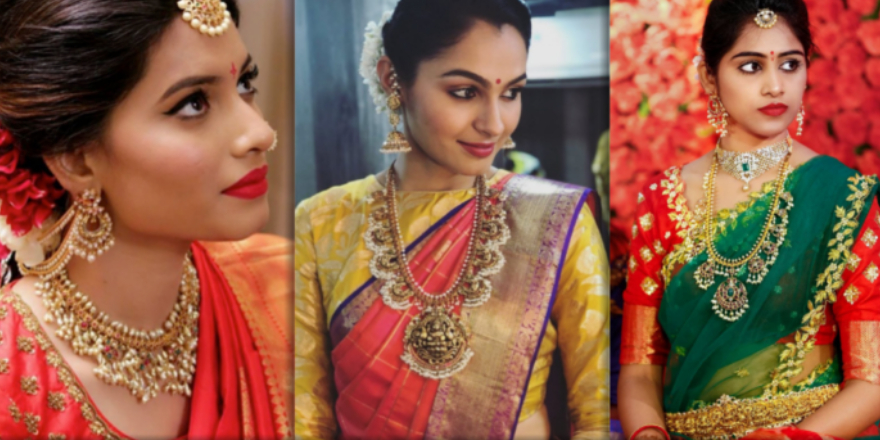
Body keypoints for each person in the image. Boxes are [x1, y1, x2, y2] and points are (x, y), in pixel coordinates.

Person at [294, 0, 609, 438]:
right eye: (465, 92)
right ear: (393, 80)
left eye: (512, 92)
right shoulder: (322, 222)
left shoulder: (556, 221)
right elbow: (306, 419)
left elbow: (593, 417)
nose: (494, 123)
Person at [0, 0, 290, 438]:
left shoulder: (283, 285)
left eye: (245, 82)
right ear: (77, 161)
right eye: (193, 104)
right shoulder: (13, 373)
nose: (260, 133)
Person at [618, 1, 880, 439]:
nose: (775, 86)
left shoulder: (842, 196)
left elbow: (871, 378)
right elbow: (640, 371)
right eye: (751, 66)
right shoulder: (661, 201)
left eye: (790, 64)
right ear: (708, 76)